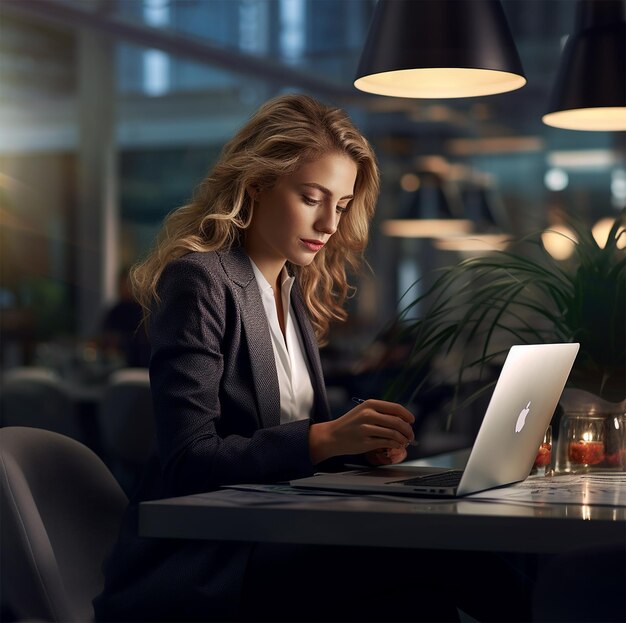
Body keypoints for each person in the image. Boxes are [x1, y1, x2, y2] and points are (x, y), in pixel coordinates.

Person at [94, 94, 530, 623]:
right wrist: (324, 439)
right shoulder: (201, 280)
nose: (329, 223)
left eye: (342, 205)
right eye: (311, 197)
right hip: (209, 557)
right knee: (434, 555)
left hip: (281, 531)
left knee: (426, 584)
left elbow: (291, 444)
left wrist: (357, 448)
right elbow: (189, 461)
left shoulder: (291, 288)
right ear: (255, 184)